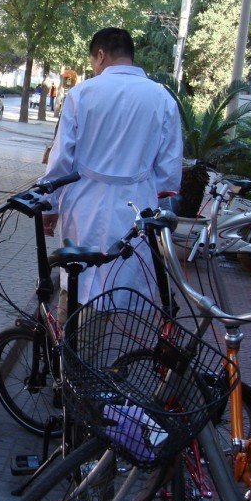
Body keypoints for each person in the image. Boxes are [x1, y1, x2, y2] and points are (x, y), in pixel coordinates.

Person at [42, 27, 182, 307]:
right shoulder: (162, 98)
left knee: (79, 281)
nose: (95, 68)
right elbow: (169, 169)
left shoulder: (81, 94)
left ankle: (75, 328)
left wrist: (50, 205)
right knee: (126, 282)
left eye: (93, 61)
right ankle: (117, 331)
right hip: (138, 204)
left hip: (84, 203)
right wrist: (157, 201)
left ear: (101, 55)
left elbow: (61, 160)